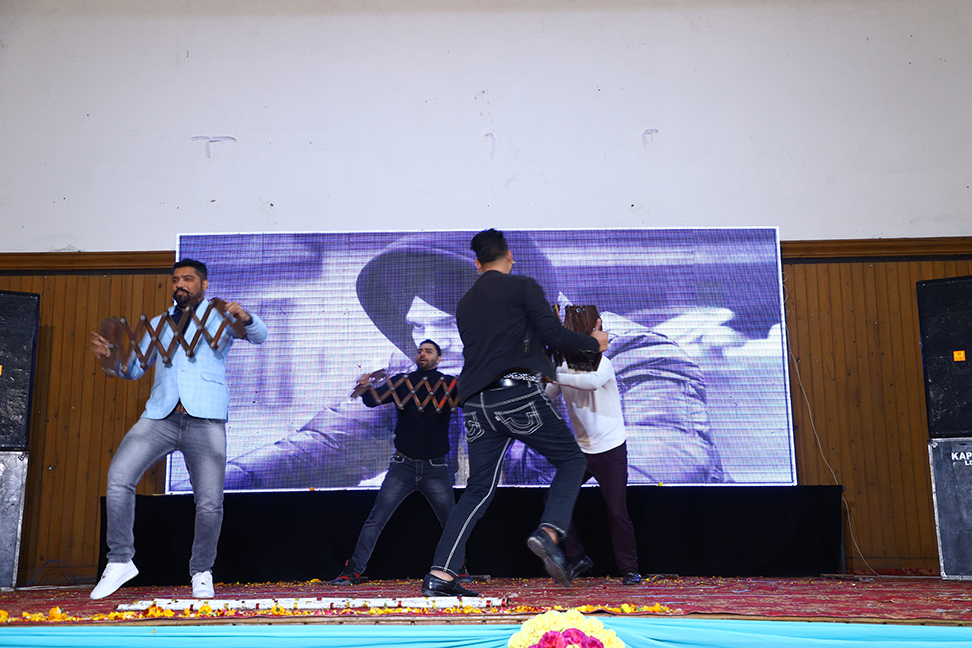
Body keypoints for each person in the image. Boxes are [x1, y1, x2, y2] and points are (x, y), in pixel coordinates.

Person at [221, 231, 723, 491]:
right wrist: (209, 489)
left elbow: (663, 468)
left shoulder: (633, 353)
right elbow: (326, 447)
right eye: (424, 326)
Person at [421, 228, 609, 597]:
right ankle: (549, 533)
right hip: (516, 395)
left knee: (477, 491)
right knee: (572, 460)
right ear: (509, 256)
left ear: (477, 264)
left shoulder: (465, 303)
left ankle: (440, 574)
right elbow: (555, 336)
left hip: (475, 404)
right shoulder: (522, 286)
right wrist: (594, 342)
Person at [88, 259, 268, 600]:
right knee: (119, 478)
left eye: (187, 279)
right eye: (175, 280)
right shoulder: (159, 323)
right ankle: (120, 560)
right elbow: (134, 369)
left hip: (205, 418)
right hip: (161, 415)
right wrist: (110, 357)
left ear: (204, 284)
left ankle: (202, 571)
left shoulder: (220, 317)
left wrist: (246, 317)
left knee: (210, 502)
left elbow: (260, 336)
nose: (179, 284)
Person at [329, 339, 463, 585]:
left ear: (438, 359)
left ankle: (458, 568)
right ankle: (353, 570)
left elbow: (471, 400)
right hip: (403, 466)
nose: (422, 354)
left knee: (451, 522)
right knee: (376, 520)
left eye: (428, 351)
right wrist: (366, 385)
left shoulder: (450, 384)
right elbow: (372, 400)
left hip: (435, 468)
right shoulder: (403, 381)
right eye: (420, 351)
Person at [545, 354, 642, 585]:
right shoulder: (562, 369)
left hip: (611, 449)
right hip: (580, 451)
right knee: (554, 498)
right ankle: (576, 557)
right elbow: (545, 396)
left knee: (617, 511)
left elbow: (592, 382)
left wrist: (551, 374)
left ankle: (630, 569)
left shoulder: (602, 363)